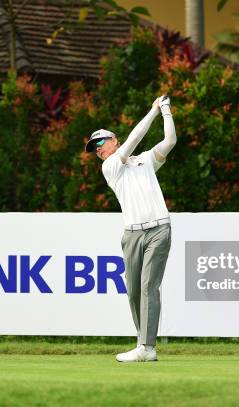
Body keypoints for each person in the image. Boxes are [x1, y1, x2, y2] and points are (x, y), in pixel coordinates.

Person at [84, 95, 177, 362]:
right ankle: (143, 344)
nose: (98, 149)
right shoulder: (110, 167)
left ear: (115, 140)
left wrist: (165, 111)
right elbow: (135, 138)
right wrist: (153, 111)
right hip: (132, 234)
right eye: (94, 148)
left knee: (149, 286)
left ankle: (147, 348)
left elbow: (169, 141)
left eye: (100, 143)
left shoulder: (146, 160)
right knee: (134, 291)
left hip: (159, 229)